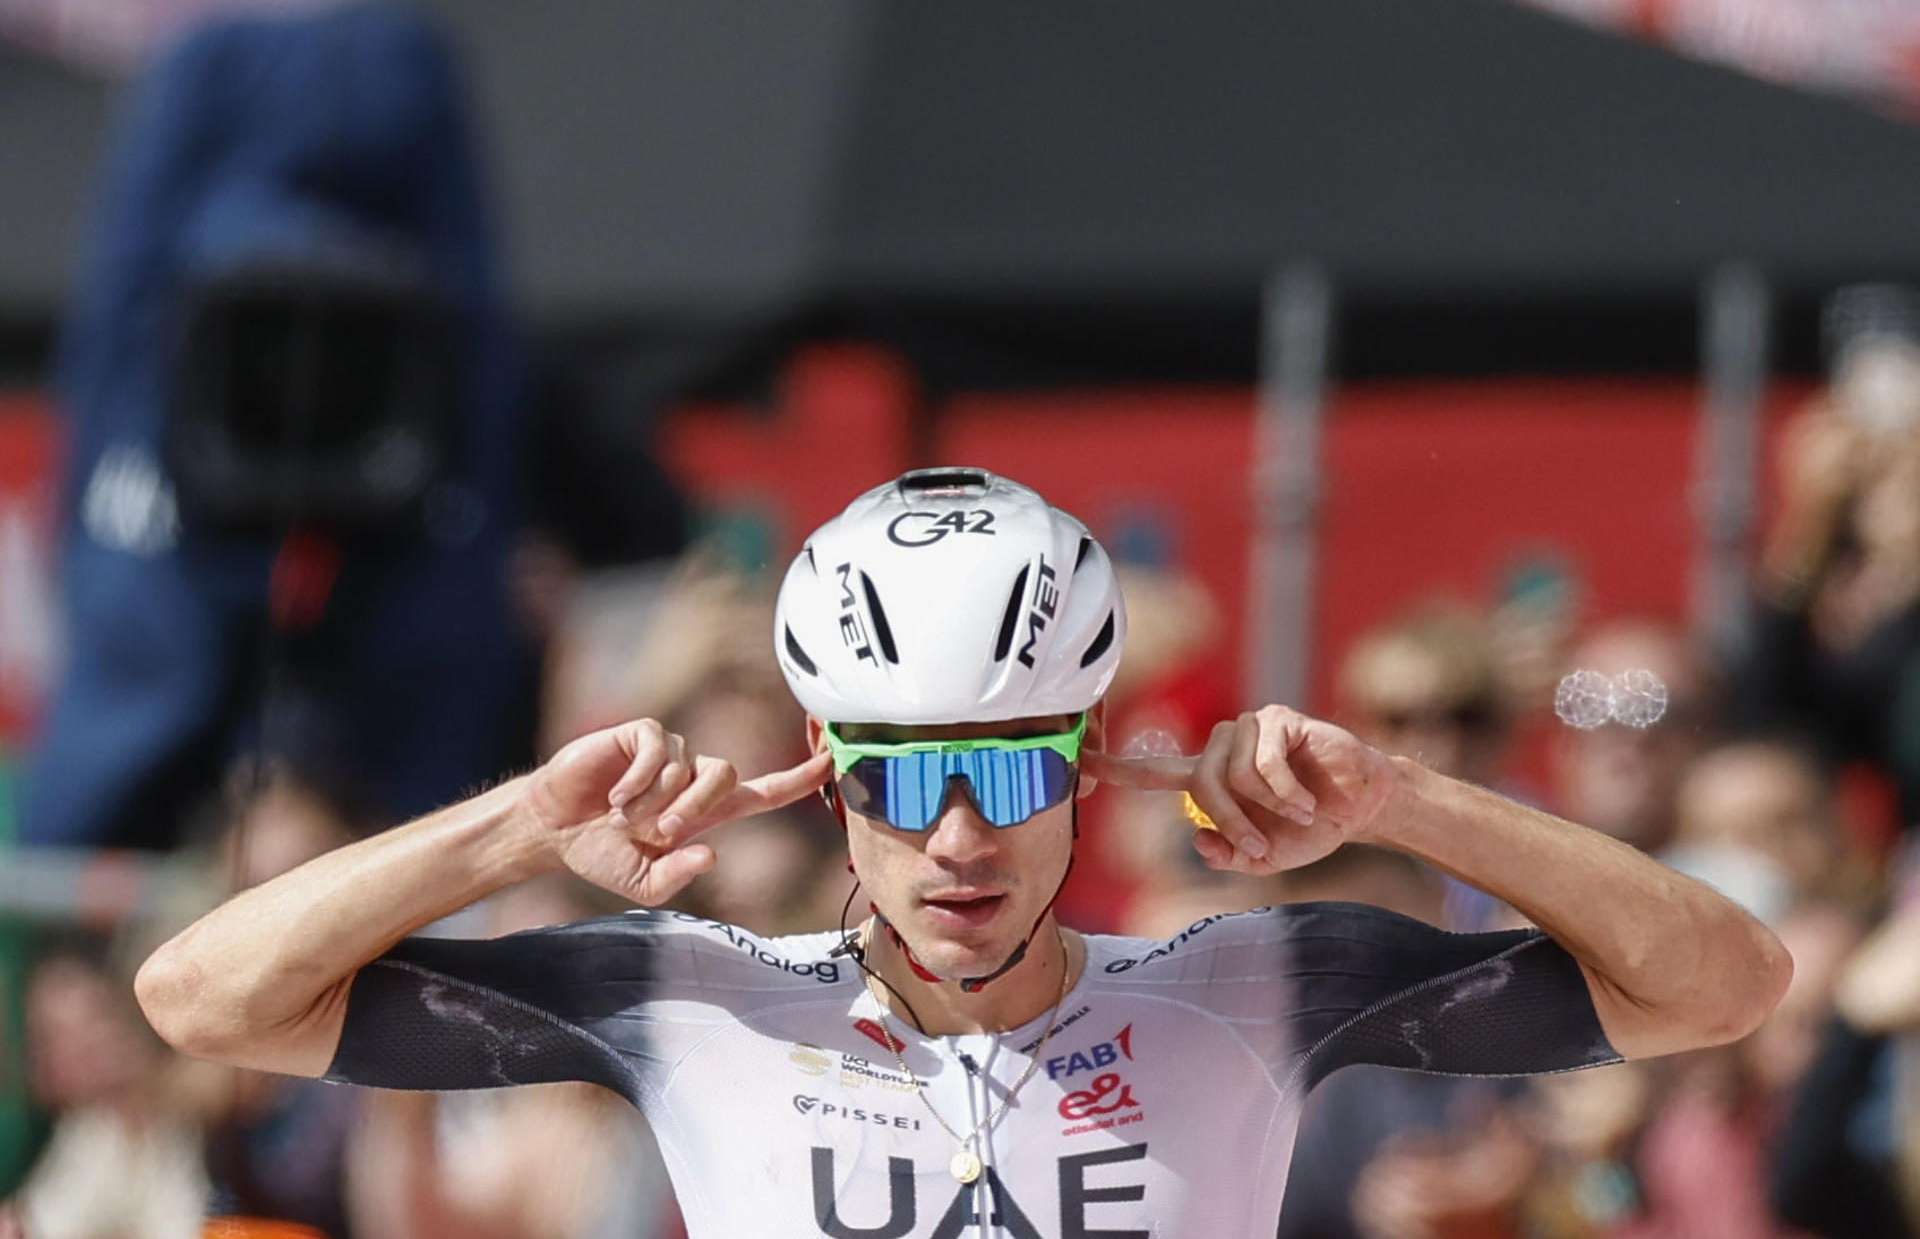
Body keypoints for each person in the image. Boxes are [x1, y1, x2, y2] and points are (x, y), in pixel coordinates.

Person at [135, 468, 1791, 1237]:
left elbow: (1727, 982)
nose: (955, 836)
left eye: (1004, 770)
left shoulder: (1255, 979)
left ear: (1084, 769)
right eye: (898, 776)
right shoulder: (696, 994)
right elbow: (202, 998)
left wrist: (1400, 803)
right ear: (824, 779)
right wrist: (518, 822)